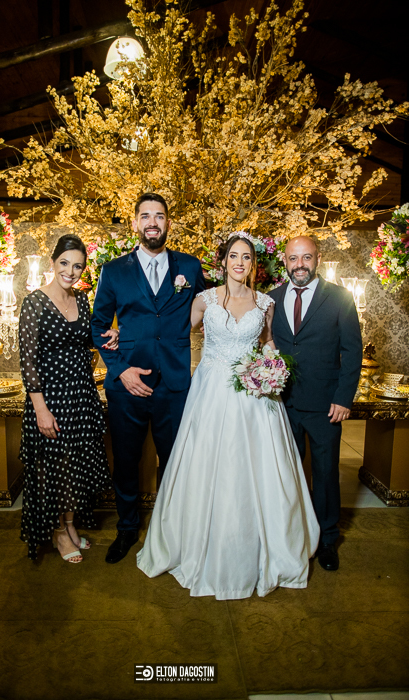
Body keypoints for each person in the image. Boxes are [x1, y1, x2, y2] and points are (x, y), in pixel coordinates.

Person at [136, 233, 320, 599]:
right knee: (207, 464)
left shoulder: (265, 303)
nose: (239, 262)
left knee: (258, 468)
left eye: (246, 257)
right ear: (223, 262)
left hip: (255, 397)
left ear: (254, 264)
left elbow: (267, 342)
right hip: (210, 392)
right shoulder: (204, 300)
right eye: (233, 256)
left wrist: (272, 368)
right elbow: (170, 333)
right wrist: (126, 337)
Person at [91, 193, 206, 564]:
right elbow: (98, 326)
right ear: (135, 223)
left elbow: (211, 311)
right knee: (126, 462)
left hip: (174, 384)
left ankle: (170, 530)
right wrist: (120, 369)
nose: (152, 222)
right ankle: (127, 529)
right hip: (128, 387)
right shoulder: (113, 270)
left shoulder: (190, 267)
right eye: (145, 216)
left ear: (168, 223)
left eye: (159, 216)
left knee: (175, 462)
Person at [19, 234, 116, 562]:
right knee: (56, 468)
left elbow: (87, 339)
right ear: (53, 262)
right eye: (64, 263)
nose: (70, 272)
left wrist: (110, 334)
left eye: (77, 266)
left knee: (75, 466)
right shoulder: (35, 302)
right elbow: (28, 361)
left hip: (81, 396)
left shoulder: (83, 300)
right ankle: (58, 532)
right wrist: (40, 409)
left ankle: (71, 525)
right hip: (51, 400)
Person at [268, 236, 362, 572]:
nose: (300, 265)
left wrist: (343, 398)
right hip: (282, 403)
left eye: (306, 257)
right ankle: (289, 536)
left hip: (325, 406)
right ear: (285, 261)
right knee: (285, 474)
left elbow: (352, 351)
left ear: (318, 259)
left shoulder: (340, 298)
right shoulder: (272, 299)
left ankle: (327, 540)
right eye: (293, 258)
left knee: (325, 475)